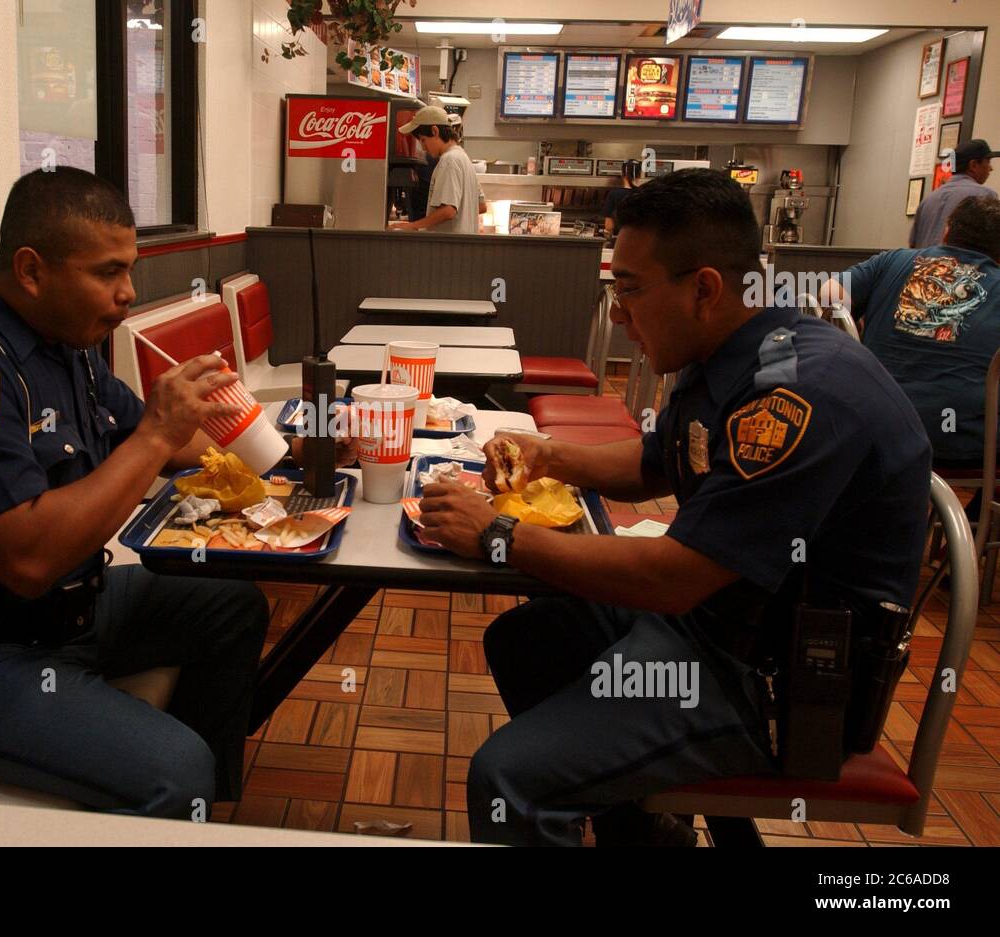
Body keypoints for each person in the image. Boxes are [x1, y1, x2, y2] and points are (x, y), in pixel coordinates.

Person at [415, 169, 932, 846]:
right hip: (718, 624)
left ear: (705, 288)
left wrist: (498, 535)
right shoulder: (727, 351)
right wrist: (549, 454)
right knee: (525, 639)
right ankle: (646, 832)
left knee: (505, 778)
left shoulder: (801, 395)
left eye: (628, 289)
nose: (619, 312)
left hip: (784, 688)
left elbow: (673, 577)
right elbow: (654, 461)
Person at [0, 167, 277, 817]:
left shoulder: (67, 342)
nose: (128, 293)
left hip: (68, 614)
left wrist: (282, 461)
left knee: (231, 604)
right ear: (32, 270)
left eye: (130, 268)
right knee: (175, 767)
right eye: (107, 272)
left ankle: (198, 819)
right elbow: (29, 560)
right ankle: (175, 789)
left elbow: (167, 439)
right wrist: (156, 437)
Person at [824, 196, 1000, 467]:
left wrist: (853, 328)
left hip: (871, 421)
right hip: (955, 438)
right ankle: (979, 509)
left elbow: (829, 294)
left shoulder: (893, 260)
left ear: (947, 229)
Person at [389, 105, 481, 234]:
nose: (423, 147)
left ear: (435, 131)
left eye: (423, 140)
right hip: (464, 248)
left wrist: (414, 226)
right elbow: (481, 205)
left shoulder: (449, 161)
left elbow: (448, 211)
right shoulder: (463, 158)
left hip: (448, 249)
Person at [909, 138, 998, 248]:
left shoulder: (927, 200)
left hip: (923, 264)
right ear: (974, 165)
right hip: (961, 264)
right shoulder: (986, 197)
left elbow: (912, 245)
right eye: (988, 162)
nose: (991, 168)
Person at [602, 159, 642, 241]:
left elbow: (609, 226)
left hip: (620, 241)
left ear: (622, 174)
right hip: (640, 242)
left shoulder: (614, 194)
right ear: (640, 175)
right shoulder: (645, 194)